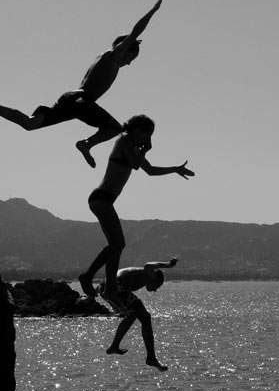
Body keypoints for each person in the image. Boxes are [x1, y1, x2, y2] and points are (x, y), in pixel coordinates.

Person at [0, 0, 166, 168]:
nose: (130, 64)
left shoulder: (105, 58)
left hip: (72, 100)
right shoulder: (112, 56)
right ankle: (86, 144)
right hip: (81, 101)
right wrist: (153, 11)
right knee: (114, 128)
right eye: (131, 59)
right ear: (125, 50)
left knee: (30, 124)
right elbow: (135, 32)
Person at [78, 114, 193, 309]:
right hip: (101, 198)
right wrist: (145, 150)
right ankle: (108, 286)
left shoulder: (132, 147)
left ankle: (88, 276)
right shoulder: (123, 141)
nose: (148, 139)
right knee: (118, 244)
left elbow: (149, 171)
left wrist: (174, 169)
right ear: (137, 130)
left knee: (115, 245)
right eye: (147, 134)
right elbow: (137, 164)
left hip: (105, 200)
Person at [98, 257, 179, 371]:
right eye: (157, 286)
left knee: (132, 315)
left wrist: (120, 305)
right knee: (144, 316)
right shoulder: (151, 274)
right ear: (155, 280)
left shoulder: (143, 278)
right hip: (114, 287)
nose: (155, 290)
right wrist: (168, 265)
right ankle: (150, 357)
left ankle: (115, 346)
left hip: (106, 289)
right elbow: (148, 265)